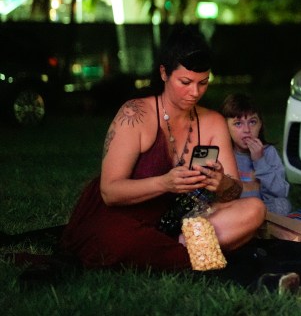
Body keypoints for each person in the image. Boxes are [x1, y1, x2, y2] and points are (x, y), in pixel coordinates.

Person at [59, 26, 266, 270]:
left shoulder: (212, 122)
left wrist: (221, 183)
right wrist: (165, 183)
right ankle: (190, 253)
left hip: (183, 221)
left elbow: (233, 193)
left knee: (255, 209)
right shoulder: (134, 114)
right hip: (128, 217)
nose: (195, 92)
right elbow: (110, 192)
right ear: (164, 73)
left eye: (203, 83)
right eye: (185, 82)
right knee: (114, 238)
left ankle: (175, 249)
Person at [222, 92, 292, 215]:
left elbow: (280, 191)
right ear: (225, 127)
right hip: (236, 209)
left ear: (260, 124)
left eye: (252, 122)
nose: (247, 130)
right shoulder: (224, 154)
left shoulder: (268, 152)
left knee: (283, 204)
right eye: (238, 124)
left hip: (263, 209)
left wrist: (260, 161)